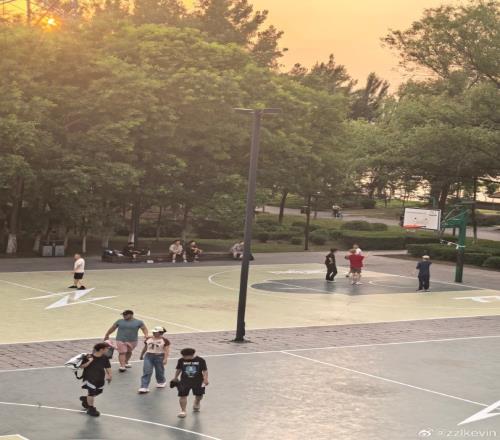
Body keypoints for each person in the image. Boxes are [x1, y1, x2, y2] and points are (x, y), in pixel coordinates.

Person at [172, 348, 208, 418]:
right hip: (184, 381)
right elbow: (179, 369)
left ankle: (197, 402)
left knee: (199, 395)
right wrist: (175, 377)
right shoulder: (181, 360)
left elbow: (205, 370)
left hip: (198, 381)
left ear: (190, 355)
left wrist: (205, 379)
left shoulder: (201, 360)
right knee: (182, 395)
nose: (183, 357)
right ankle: (183, 411)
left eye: (184, 356)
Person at [79, 342, 112, 417]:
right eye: (106, 349)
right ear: (101, 349)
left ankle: (86, 399)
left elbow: (108, 367)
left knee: (99, 391)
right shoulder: (88, 357)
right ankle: (91, 409)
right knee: (91, 392)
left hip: (100, 377)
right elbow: (81, 366)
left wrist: (110, 375)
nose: (108, 350)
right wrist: (90, 361)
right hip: (90, 377)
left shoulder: (105, 357)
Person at [138, 326, 170, 393]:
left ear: (160, 333)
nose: (153, 333)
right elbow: (145, 347)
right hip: (148, 356)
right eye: (153, 332)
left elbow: (166, 351)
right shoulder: (148, 339)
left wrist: (165, 359)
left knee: (159, 371)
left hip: (159, 357)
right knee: (147, 371)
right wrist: (141, 355)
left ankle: (161, 382)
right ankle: (144, 386)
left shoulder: (165, 341)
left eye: (155, 332)